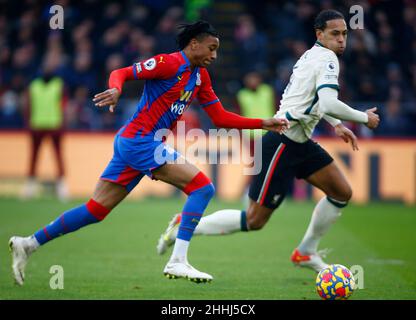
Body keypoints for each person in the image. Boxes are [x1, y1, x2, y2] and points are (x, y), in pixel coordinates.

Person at [9, 21, 288, 285]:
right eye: (211, 48)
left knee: (95, 210)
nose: (215, 55)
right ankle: (177, 260)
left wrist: (263, 122)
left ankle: (28, 243)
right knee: (203, 188)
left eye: (217, 49)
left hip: (133, 143)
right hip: (140, 142)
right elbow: (122, 73)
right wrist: (116, 90)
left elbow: (220, 117)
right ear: (194, 44)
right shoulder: (168, 63)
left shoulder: (200, 76)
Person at [156, 11, 380, 273]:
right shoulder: (326, 59)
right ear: (319, 34)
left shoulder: (312, 56)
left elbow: (312, 100)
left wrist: (337, 124)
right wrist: (363, 117)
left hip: (300, 142)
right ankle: (186, 223)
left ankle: (306, 252)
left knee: (341, 192)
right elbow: (328, 101)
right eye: (335, 34)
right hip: (281, 143)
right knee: (254, 220)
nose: (341, 39)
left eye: (344, 34)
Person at [21, 55, 69, 201]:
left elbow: (64, 105)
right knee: (34, 156)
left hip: (54, 125)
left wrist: (63, 123)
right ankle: (29, 187)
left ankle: (62, 187)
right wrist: (28, 123)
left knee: (58, 156)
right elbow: (28, 106)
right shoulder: (33, 86)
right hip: (37, 125)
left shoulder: (59, 85)